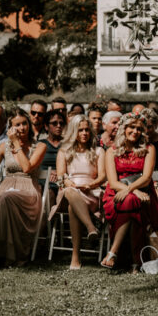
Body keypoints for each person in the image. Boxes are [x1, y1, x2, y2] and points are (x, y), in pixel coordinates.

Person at [0, 109, 47, 267]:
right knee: (2, 197)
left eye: (24, 123)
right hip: (6, 187)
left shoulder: (40, 146)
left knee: (5, 198)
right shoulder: (3, 147)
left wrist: (16, 144)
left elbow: (26, 168)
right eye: (17, 125)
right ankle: (2, 252)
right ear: (10, 128)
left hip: (27, 189)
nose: (22, 128)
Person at [101, 115, 158, 270]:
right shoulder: (111, 151)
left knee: (131, 201)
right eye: (132, 127)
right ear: (123, 129)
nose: (135, 131)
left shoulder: (149, 149)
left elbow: (146, 178)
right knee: (132, 201)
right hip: (115, 194)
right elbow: (112, 182)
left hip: (143, 192)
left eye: (139, 129)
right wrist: (133, 193)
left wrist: (131, 190)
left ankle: (113, 253)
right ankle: (136, 261)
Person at [50, 115, 106, 270]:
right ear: (74, 131)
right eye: (80, 130)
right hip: (70, 191)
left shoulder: (99, 151)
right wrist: (71, 184)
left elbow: (103, 176)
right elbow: (61, 177)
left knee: (72, 208)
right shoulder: (64, 151)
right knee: (69, 191)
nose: (84, 133)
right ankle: (91, 228)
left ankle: (76, 257)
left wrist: (91, 184)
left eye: (87, 130)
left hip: (91, 192)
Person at [41, 109, 67, 201]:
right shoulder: (40, 145)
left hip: (64, 181)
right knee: (49, 192)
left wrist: (59, 172)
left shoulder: (69, 144)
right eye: (54, 123)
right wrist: (48, 173)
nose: (59, 126)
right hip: (43, 182)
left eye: (61, 123)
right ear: (46, 126)